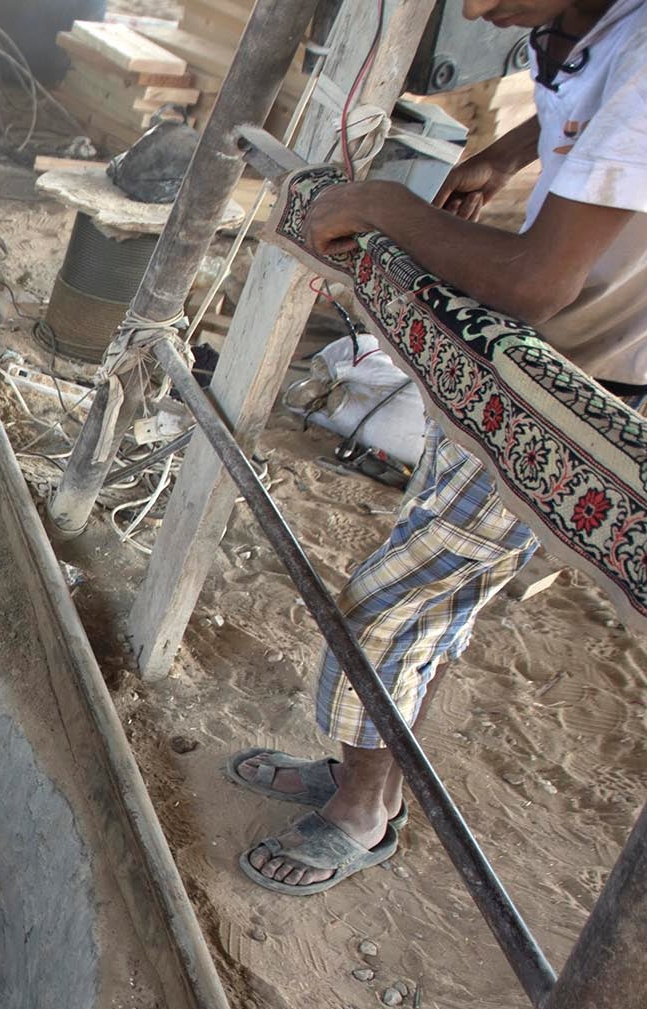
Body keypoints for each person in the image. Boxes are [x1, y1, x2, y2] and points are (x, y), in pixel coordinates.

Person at [232, 0, 647, 893]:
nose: (470, 10)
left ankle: (364, 812)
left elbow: (534, 282)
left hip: (578, 394)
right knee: (430, 591)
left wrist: (386, 209)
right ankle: (361, 775)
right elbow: (600, 105)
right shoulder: (604, 31)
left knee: (395, 598)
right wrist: (509, 151)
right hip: (534, 372)